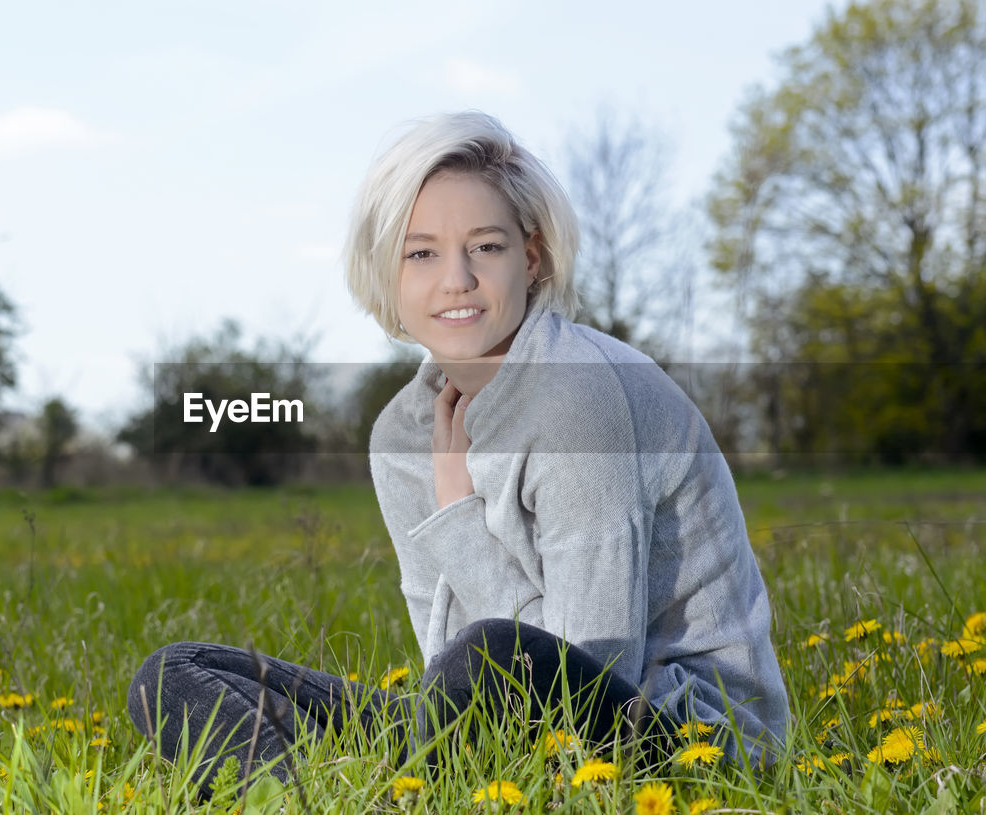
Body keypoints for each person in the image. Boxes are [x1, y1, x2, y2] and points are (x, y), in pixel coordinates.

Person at [127, 110, 789, 793]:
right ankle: (341, 800)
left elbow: (589, 661)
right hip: (499, 707)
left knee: (489, 655)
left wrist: (458, 513)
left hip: (689, 739)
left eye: (486, 247)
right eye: (422, 253)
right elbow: (440, 650)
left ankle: (402, 796)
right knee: (174, 675)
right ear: (389, 273)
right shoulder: (401, 435)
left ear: (530, 258)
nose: (456, 280)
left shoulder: (581, 401)